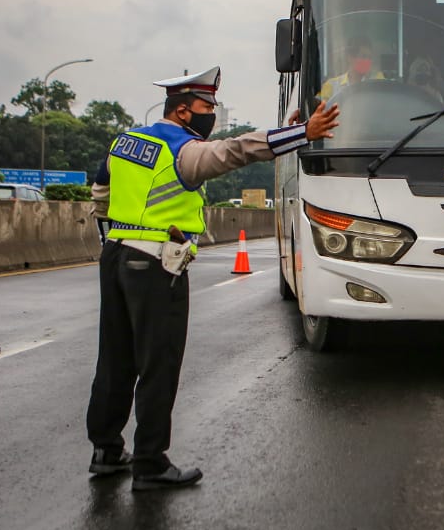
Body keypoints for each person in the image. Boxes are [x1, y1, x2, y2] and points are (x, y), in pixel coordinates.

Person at [86, 66, 340, 490]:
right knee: (158, 363)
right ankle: (150, 463)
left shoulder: (124, 142)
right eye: (207, 107)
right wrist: (300, 134)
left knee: (115, 359)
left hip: (115, 255)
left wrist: (117, 231)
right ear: (184, 112)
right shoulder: (181, 150)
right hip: (157, 264)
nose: (212, 114)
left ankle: (106, 451)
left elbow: (100, 195)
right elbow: (237, 151)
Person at [318, 36, 383, 100]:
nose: (367, 61)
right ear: (350, 57)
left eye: (369, 57)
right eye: (363, 56)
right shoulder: (331, 86)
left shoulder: (378, 80)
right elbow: (317, 106)